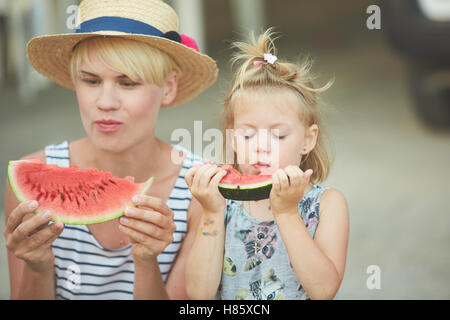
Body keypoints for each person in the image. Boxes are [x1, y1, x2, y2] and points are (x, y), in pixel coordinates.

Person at [4, 0, 218, 300]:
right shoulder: (29, 176)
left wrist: (146, 262)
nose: (105, 102)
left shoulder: (201, 190)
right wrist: (38, 268)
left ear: (168, 87)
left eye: (127, 83)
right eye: (91, 81)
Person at [184, 29, 349, 300]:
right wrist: (212, 213)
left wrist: (286, 213)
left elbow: (323, 290)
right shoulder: (217, 202)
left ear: (308, 140)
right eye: (248, 134)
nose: (261, 145)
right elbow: (198, 295)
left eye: (278, 134)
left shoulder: (328, 205)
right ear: (233, 139)